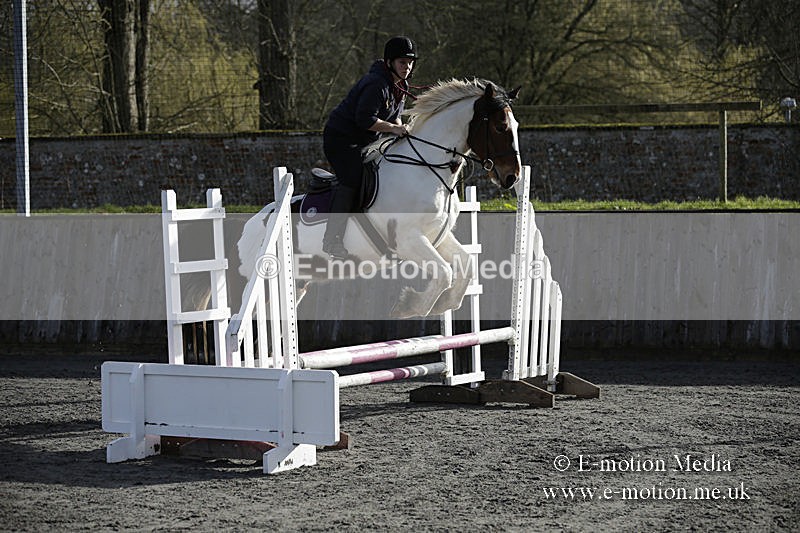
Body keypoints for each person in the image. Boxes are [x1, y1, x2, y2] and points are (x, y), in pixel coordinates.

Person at [321, 36, 418, 259]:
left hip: (364, 140)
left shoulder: (401, 86)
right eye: (402, 62)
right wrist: (394, 129)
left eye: (410, 62)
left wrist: (402, 132)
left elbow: (395, 119)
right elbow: (364, 119)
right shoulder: (377, 84)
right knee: (353, 179)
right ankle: (331, 239)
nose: (407, 67)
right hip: (341, 139)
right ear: (390, 62)